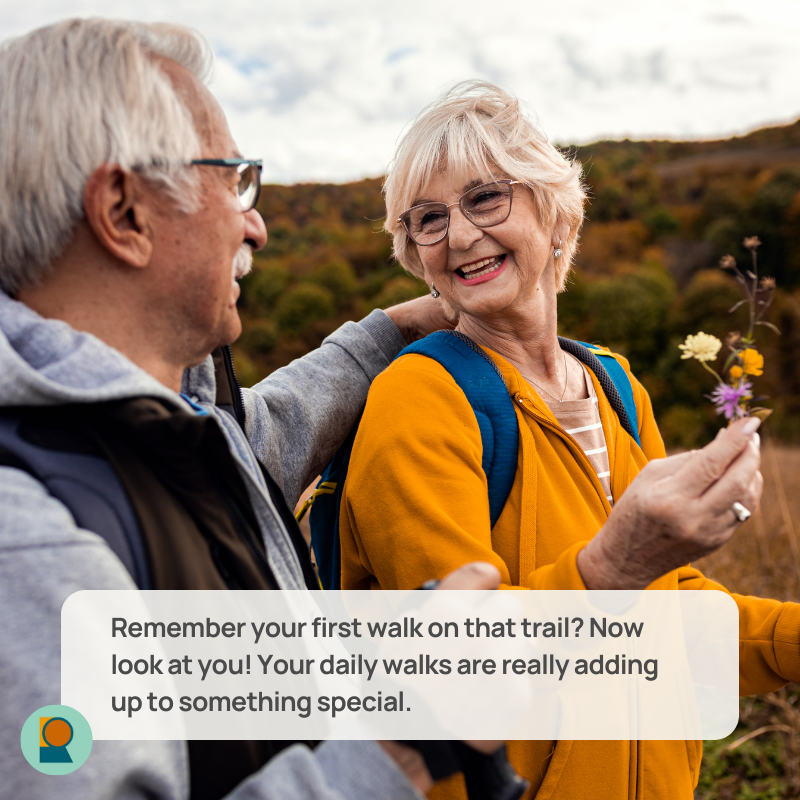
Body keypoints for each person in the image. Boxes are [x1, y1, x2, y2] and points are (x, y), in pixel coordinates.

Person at [0, 19, 503, 800]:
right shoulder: (27, 546)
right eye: (234, 180)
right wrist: (401, 743)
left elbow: (250, 444)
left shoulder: (152, 432)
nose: (256, 224)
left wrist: (388, 333)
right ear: (125, 212)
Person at [338, 82, 800, 800]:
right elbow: (460, 668)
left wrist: (789, 638)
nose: (459, 235)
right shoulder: (418, 400)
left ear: (556, 215)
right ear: (414, 253)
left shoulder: (615, 383)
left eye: (486, 199)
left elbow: (669, 617)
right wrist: (614, 563)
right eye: (428, 219)